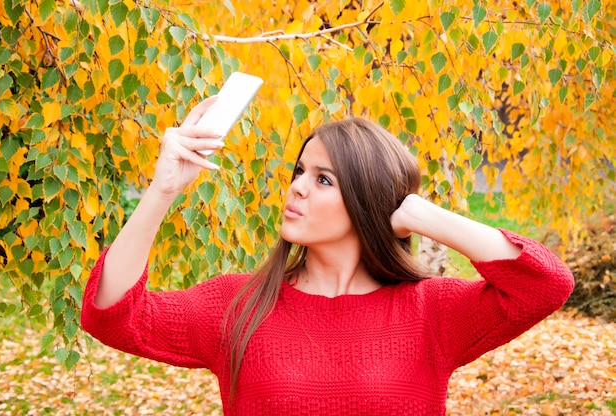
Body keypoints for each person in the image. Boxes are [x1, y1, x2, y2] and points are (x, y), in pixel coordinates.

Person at [81, 97, 574, 415]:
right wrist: (162, 190)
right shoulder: (241, 306)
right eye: (299, 171)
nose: (296, 187)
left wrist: (421, 216)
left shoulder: (431, 313)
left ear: (367, 198)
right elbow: (114, 315)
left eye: (323, 179)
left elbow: (545, 284)